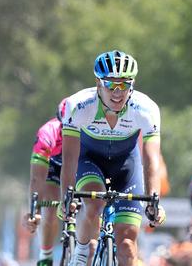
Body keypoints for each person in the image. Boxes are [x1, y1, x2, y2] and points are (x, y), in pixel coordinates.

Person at [60, 50, 165, 266]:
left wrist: (154, 200)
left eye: (124, 85)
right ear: (98, 83)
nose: (117, 92)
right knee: (93, 205)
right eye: (111, 85)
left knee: (127, 246)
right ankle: (80, 254)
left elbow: (151, 158)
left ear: (132, 84)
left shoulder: (146, 109)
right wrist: (66, 196)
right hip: (90, 160)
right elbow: (70, 157)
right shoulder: (78, 105)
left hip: (127, 165)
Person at [22, 99, 67, 266]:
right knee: (49, 211)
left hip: (80, 164)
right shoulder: (47, 133)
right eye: (66, 128)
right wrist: (34, 211)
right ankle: (46, 255)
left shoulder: (91, 129)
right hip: (53, 165)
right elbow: (37, 179)